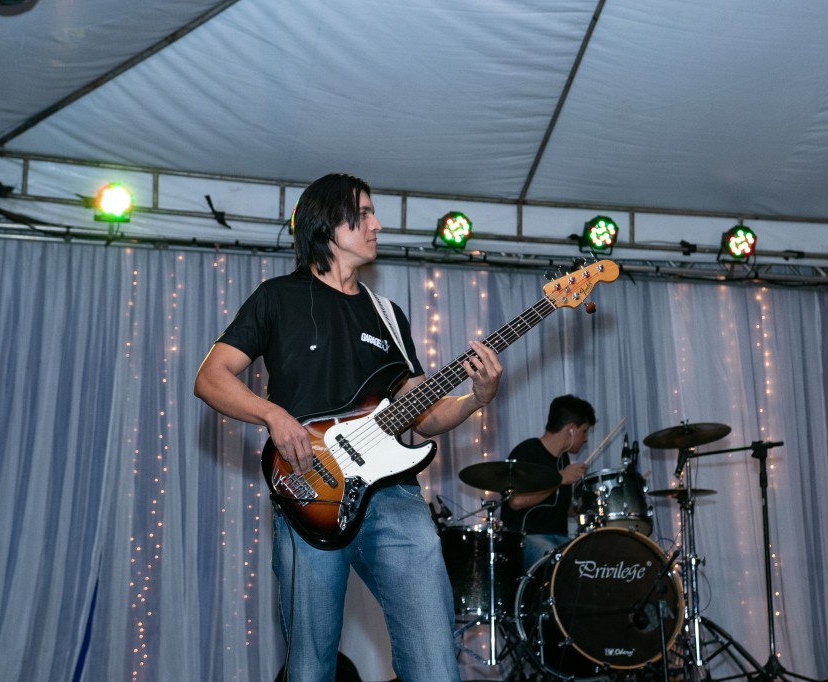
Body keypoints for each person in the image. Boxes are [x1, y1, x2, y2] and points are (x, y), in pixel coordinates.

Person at [194, 172, 503, 682]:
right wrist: (273, 414)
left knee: (434, 657)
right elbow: (210, 377)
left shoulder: (388, 315)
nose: (377, 225)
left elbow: (424, 414)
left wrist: (477, 398)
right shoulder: (277, 297)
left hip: (394, 496)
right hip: (310, 490)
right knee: (311, 665)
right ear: (325, 225)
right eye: (362, 215)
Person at [500, 395, 596, 570]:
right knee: (559, 565)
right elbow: (516, 501)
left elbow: (556, 505)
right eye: (584, 431)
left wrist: (583, 508)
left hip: (558, 538)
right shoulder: (526, 452)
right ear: (571, 429)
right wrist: (560, 479)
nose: (586, 439)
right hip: (528, 537)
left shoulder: (563, 459)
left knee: (592, 562)